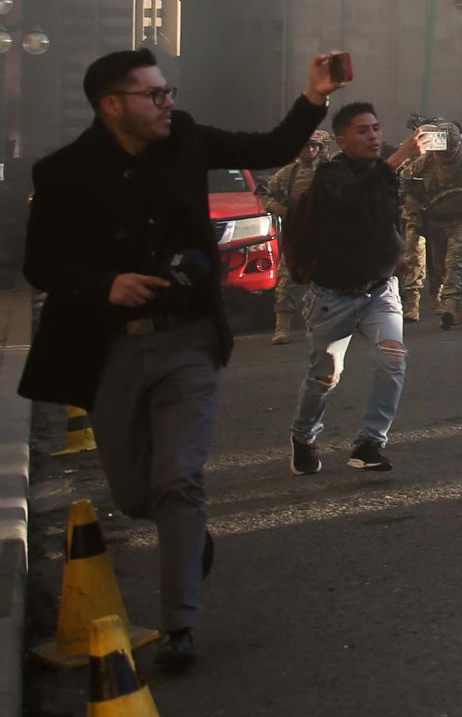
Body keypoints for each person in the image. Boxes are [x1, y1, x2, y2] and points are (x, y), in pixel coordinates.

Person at [17, 48, 341, 674]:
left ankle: (179, 627)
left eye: (169, 92)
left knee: (180, 480)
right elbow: (41, 264)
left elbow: (271, 146)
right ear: (112, 106)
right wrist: (104, 284)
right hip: (109, 348)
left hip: (187, 341)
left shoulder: (186, 139)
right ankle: (185, 531)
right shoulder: (63, 173)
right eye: (154, 95)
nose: (169, 103)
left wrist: (315, 96)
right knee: (136, 493)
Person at [290, 101, 423, 476]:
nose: (373, 136)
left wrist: (394, 256)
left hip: (379, 290)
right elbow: (349, 199)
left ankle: (370, 443)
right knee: (325, 377)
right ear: (342, 140)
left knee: (393, 360)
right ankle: (303, 437)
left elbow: (384, 221)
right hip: (333, 296)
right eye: (362, 131)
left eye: (376, 128)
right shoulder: (331, 175)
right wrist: (397, 159)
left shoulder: (382, 174)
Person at [402, 122, 462, 328]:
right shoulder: (426, 161)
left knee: (457, 261)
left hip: (461, 220)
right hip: (434, 222)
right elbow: (405, 182)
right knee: (439, 266)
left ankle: (449, 304)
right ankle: (451, 303)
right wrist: (413, 207)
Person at [260, 133, 331, 344]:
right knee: (287, 280)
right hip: (298, 234)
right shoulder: (287, 174)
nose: (310, 150)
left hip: (327, 234)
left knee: (330, 281)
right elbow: (267, 195)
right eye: (306, 146)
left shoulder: (330, 171)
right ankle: (282, 328)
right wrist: (282, 210)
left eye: (314, 146)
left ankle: (330, 324)